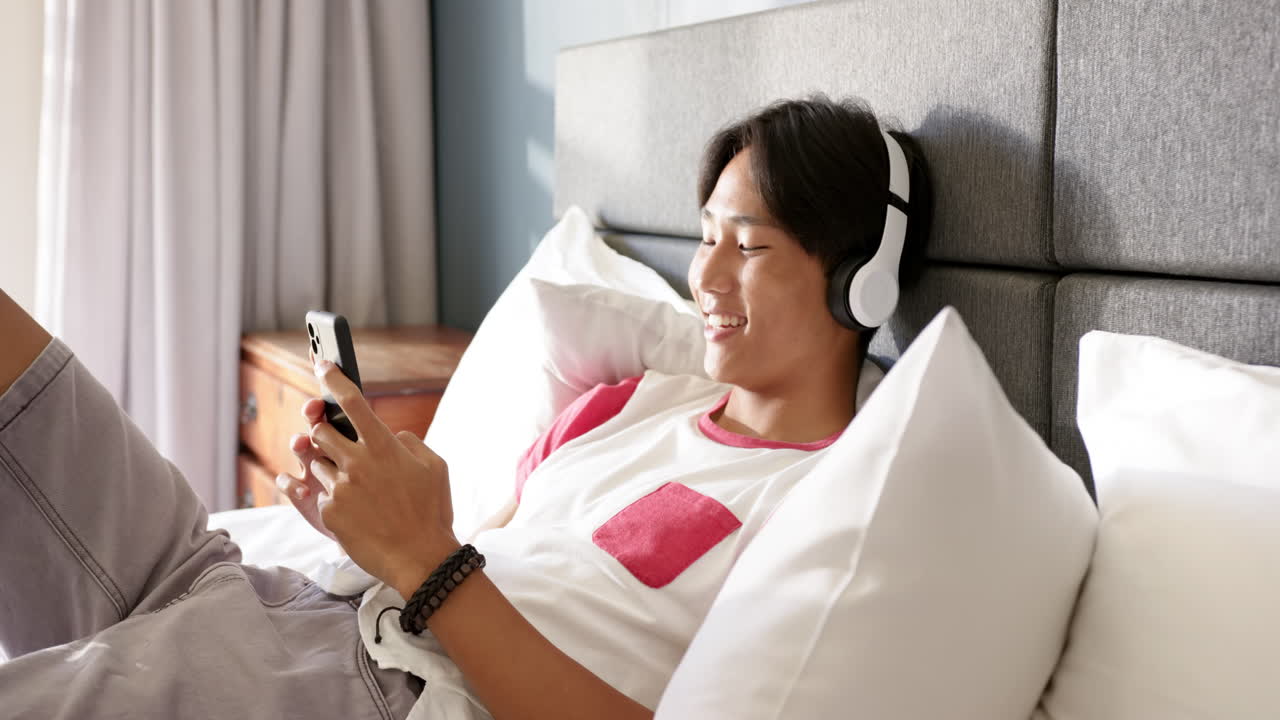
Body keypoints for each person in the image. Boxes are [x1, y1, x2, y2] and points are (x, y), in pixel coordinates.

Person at [0, 94, 931, 719]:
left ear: (860, 285)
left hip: (370, 689)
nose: (707, 277)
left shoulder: (831, 502)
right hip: (292, 604)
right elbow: (504, 536)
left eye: (751, 248)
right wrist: (366, 529)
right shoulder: (641, 400)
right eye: (703, 239)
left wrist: (424, 559)